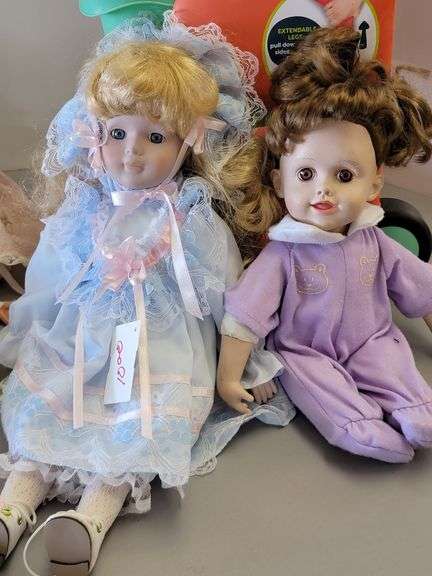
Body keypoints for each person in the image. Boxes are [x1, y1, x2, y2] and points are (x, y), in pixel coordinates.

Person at [0, 14, 293, 574]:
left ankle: (91, 519)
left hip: (161, 344)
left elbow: (225, 288)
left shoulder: (190, 214)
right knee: (48, 403)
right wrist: (30, 320)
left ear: (188, 144)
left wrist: (244, 361)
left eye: (154, 137)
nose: (130, 153)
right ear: (96, 133)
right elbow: (52, 269)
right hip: (79, 335)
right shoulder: (87, 204)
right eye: (117, 133)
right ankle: (13, 505)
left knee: (140, 420)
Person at [218, 27, 432, 464]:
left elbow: (423, 290)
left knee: (397, 369)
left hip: (372, 337)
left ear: (375, 183)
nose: (324, 190)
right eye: (305, 174)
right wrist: (229, 378)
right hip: (303, 350)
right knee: (319, 386)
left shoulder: (374, 241)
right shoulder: (283, 254)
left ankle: (416, 408)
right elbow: (244, 316)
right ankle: (355, 425)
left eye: (345, 175)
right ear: (279, 182)